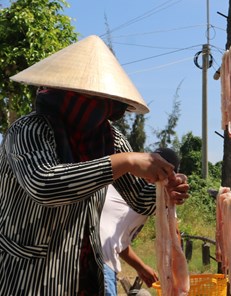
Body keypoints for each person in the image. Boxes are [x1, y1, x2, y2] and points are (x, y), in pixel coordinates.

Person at [0, 35, 190, 295]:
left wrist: (164, 191)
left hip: (81, 272)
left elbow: (139, 198)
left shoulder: (106, 136)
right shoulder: (29, 130)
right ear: (66, 93)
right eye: (90, 99)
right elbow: (45, 185)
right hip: (28, 276)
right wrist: (125, 160)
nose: (99, 112)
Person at [100, 148, 182, 296]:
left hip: (93, 256)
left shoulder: (126, 185)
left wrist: (141, 267)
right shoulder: (150, 191)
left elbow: (117, 242)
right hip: (100, 261)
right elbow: (175, 237)